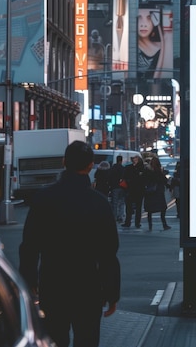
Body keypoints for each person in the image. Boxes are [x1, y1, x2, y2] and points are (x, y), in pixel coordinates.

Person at [19, 141, 120, 347]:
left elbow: (29, 245)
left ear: (64, 162)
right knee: (87, 339)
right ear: (91, 165)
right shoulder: (99, 203)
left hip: (53, 282)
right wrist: (112, 292)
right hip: (88, 285)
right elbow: (108, 253)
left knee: (54, 338)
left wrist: (29, 281)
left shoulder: (44, 199)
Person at [137, 7, 173, 80]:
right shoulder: (132, 49)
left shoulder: (163, 45)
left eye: (149, 18)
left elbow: (165, 74)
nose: (143, 24)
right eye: (139, 18)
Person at [143, 156, 171, 231]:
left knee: (150, 210)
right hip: (158, 192)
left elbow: (144, 180)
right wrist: (169, 185)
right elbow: (163, 180)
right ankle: (164, 224)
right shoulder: (158, 171)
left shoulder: (147, 171)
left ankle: (150, 226)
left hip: (150, 192)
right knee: (163, 208)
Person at [122, 154, 146, 228]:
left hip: (137, 190)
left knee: (137, 207)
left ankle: (135, 222)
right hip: (132, 189)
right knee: (129, 207)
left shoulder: (141, 168)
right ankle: (129, 222)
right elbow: (125, 177)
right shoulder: (129, 168)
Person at [108, 155, 126, 223]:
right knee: (121, 202)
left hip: (114, 187)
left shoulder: (112, 168)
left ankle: (114, 216)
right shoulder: (123, 168)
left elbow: (109, 177)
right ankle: (120, 216)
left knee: (114, 203)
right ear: (121, 160)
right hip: (122, 187)